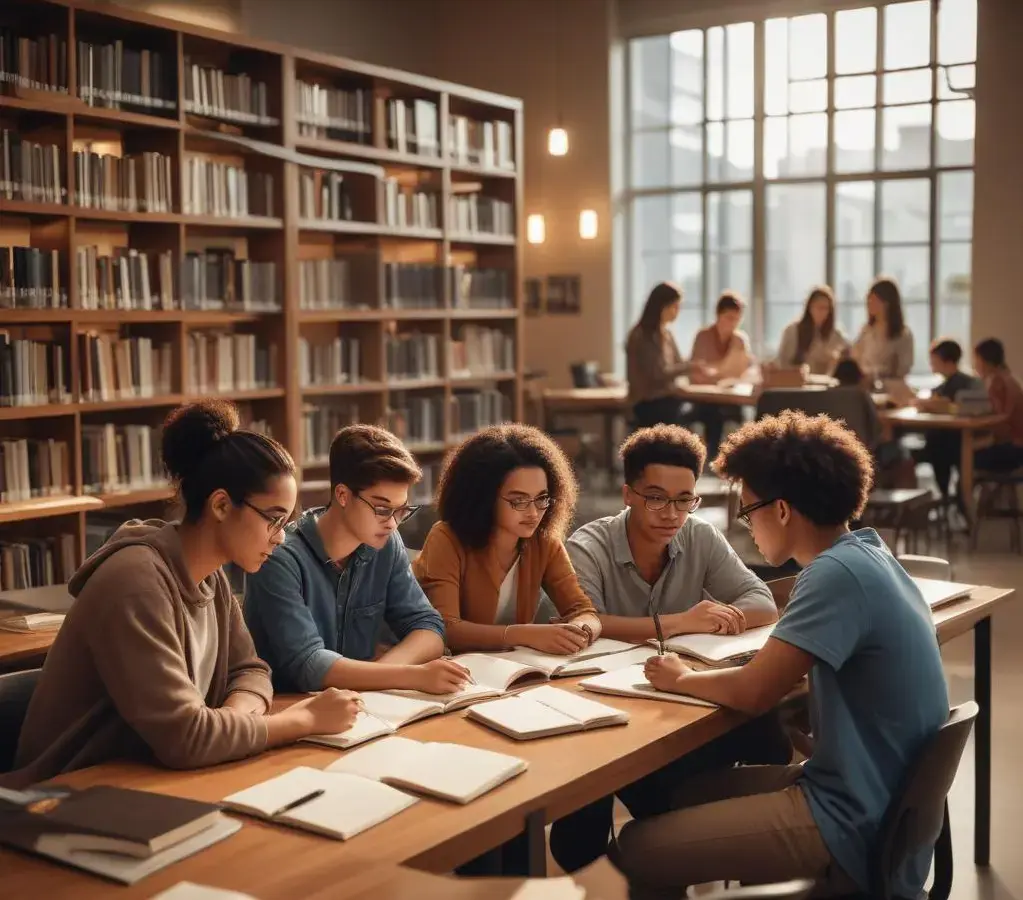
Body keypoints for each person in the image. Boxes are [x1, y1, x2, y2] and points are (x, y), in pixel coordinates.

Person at [609, 410, 949, 898]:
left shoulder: (833, 575)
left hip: (851, 812)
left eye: (747, 512)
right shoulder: (870, 554)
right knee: (675, 796)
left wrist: (680, 677)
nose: (746, 526)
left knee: (637, 845)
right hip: (879, 794)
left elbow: (752, 693)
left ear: (782, 510)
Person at [3, 400, 363, 789]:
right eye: (274, 519)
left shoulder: (211, 578)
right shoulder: (135, 583)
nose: (281, 536)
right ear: (222, 505)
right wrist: (303, 720)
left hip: (146, 779)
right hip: (64, 795)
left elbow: (250, 670)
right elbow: (187, 738)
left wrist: (233, 722)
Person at [548, 424, 789, 873]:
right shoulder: (588, 546)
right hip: (607, 712)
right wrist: (682, 622)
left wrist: (719, 618)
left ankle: (719, 841)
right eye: (656, 497)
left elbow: (760, 603)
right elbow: (583, 625)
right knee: (584, 814)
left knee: (763, 725)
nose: (671, 513)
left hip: (677, 704)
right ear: (627, 494)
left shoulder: (700, 536)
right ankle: (608, 867)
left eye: (685, 499)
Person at [244, 424, 463, 695]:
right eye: (382, 509)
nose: (393, 524)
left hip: (362, 704)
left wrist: (384, 673)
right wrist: (410, 676)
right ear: (343, 495)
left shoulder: (384, 543)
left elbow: (428, 627)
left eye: (402, 510)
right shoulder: (280, 558)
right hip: (289, 707)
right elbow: (309, 665)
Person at [412, 423, 601, 654]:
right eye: (519, 501)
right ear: (484, 498)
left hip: (516, 669)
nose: (533, 513)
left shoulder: (544, 541)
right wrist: (526, 634)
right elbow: (447, 628)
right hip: (457, 670)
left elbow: (583, 611)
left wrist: (580, 631)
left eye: (542, 498)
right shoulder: (446, 538)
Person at [625, 281, 710, 429]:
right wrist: (689, 367)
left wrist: (695, 367)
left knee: (709, 412)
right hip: (649, 403)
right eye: (675, 307)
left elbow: (677, 363)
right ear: (662, 307)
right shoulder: (642, 336)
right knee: (681, 416)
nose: (677, 312)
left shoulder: (667, 334)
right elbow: (657, 373)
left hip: (667, 398)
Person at [914, 339, 982, 499]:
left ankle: (945, 497)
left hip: (955, 442)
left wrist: (932, 405)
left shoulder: (965, 384)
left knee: (933, 448)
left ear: (946, 360)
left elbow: (953, 407)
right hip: (947, 440)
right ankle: (944, 498)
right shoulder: (944, 386)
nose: (931, 363)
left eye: (934, 359)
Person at [689, 291, 754, 458]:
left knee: (738, 416)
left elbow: (745, 371)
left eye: (737, 319)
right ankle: (711, 458)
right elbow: (696, 372)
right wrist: (721, 373)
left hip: (731, 398)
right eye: (729, 318)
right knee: (713, 414)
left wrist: (717, 373)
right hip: (704, 398)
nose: (733, 323)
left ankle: (735, 460)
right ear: (718, 315)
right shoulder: (703, 337)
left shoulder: (740, 340)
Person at [972, 338, 1023, 472]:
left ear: (984, 361)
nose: (975, 365)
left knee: (961, 455)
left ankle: (964, 493)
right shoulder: (1008, 378)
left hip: (1013, 448)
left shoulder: (997, 383)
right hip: (1017, 446)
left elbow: (1000, 421)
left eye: (976, 359)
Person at [775, 285, 848, 375]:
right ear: (809, 308)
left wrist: (835, 359)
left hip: (827, 385)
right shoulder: (793, 331)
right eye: (818, 307)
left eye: (826, 308)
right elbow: (782, 363)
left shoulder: (836, 334)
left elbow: (845, 358)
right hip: (797, 383)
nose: (822, 312)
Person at [851, 276, 914, 380]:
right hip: (865, 384)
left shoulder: (903, 334)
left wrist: (880, 373)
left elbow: (903, 368)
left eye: (874, 300)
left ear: (887, 303)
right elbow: (856, 357)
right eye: (868, 299)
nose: (869, 304)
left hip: (890, 386)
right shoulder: (867, 330)